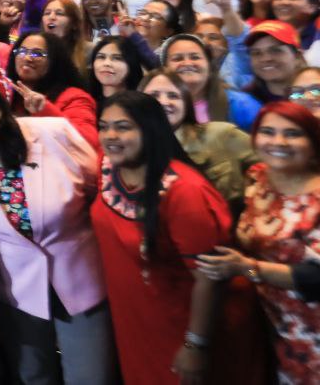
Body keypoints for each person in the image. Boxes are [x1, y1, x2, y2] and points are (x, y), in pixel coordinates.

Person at [0, 73, 113, 384]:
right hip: (18, 290)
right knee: (34, 376)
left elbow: (97, 184)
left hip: (79, 277)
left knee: (91, 377)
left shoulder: (52, 132)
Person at [91, 91, 262, 384]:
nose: (110, 135)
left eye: (123, 126)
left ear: (151, 129)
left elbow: (209, 277)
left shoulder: (186, 192)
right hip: (135, 318)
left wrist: (195, 344)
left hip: (179, 324)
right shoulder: (108, 169)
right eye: (104, 126)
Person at [196, 101, 320, 384]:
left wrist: (248, 268)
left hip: (309, 333)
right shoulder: (257, 178)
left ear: (313, 143)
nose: (278, 141)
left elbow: (316, 277)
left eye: (292, 134)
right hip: (265, 322)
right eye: (268, 131)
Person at [142, 68, 255, 208]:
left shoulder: (222, 135)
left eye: (173, 96)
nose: (164, 102)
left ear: (186, 103)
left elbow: (271, 168)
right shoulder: (132, 152)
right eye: (154, 96)